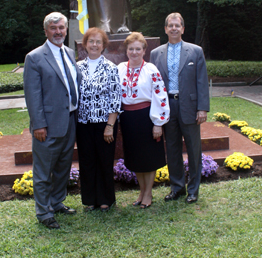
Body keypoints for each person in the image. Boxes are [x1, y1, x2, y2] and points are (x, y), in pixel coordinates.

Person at [23, 12, 81, 229]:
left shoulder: (69, 52)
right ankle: (43, 212)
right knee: (43, 171)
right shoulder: (35, 57)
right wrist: (38, 124)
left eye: (61, 28)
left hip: (70, 121)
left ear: (66, 30)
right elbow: (33, 94)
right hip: (47, 126)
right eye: (53, 28)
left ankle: (57, 203)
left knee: (63, 167)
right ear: (46, 31)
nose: (58, 32)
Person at [150, 13, 210, 204]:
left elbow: (201, 81)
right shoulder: (155, 54)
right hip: (167, 107)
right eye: (170, 25)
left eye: (177, 25)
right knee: (173, 149)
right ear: (165, 29)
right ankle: (177, 188)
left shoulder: (195, 51)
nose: (174, 28)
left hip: (190, 107)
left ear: (183, 29)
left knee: (193, 150)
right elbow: (153, 84)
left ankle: (193, 190)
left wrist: (202, 108)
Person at [117, 32, 170, 209]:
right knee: (136, 157)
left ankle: (148, 193)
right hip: (128, 119)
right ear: (126, 50)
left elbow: (160, 95)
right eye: (131, 49)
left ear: (144, 51)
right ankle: (141, 191)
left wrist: (158, 122)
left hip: (147, 117)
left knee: (149, 157)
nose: (134, 52)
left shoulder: (151, 69)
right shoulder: (120, 69)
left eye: (137, 49)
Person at [76, 28, 122, 212]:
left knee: (104, 160)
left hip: (105, 123)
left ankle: (105, 199)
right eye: (91, 41)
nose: (94, 45)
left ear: (103, 46)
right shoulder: (77, 67)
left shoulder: (111, 68)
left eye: (98, 42)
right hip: (83, 123)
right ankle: (90, 200)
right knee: (87, 161)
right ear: (85, 45)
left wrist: (110, 126)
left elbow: (115, 98)